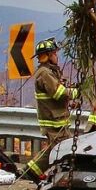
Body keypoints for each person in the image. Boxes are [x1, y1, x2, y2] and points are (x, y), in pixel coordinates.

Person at [22, 38, 75, 181]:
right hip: (53, 120)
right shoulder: (45, 73)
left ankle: (31, 171)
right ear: (48, 56)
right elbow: (58, 93)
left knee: (55, 148)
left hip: (57, 118)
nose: (57, 56)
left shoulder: (49, 72)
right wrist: (76, 92)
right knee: (62, 149)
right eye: (54, 53)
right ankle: (58, 176)